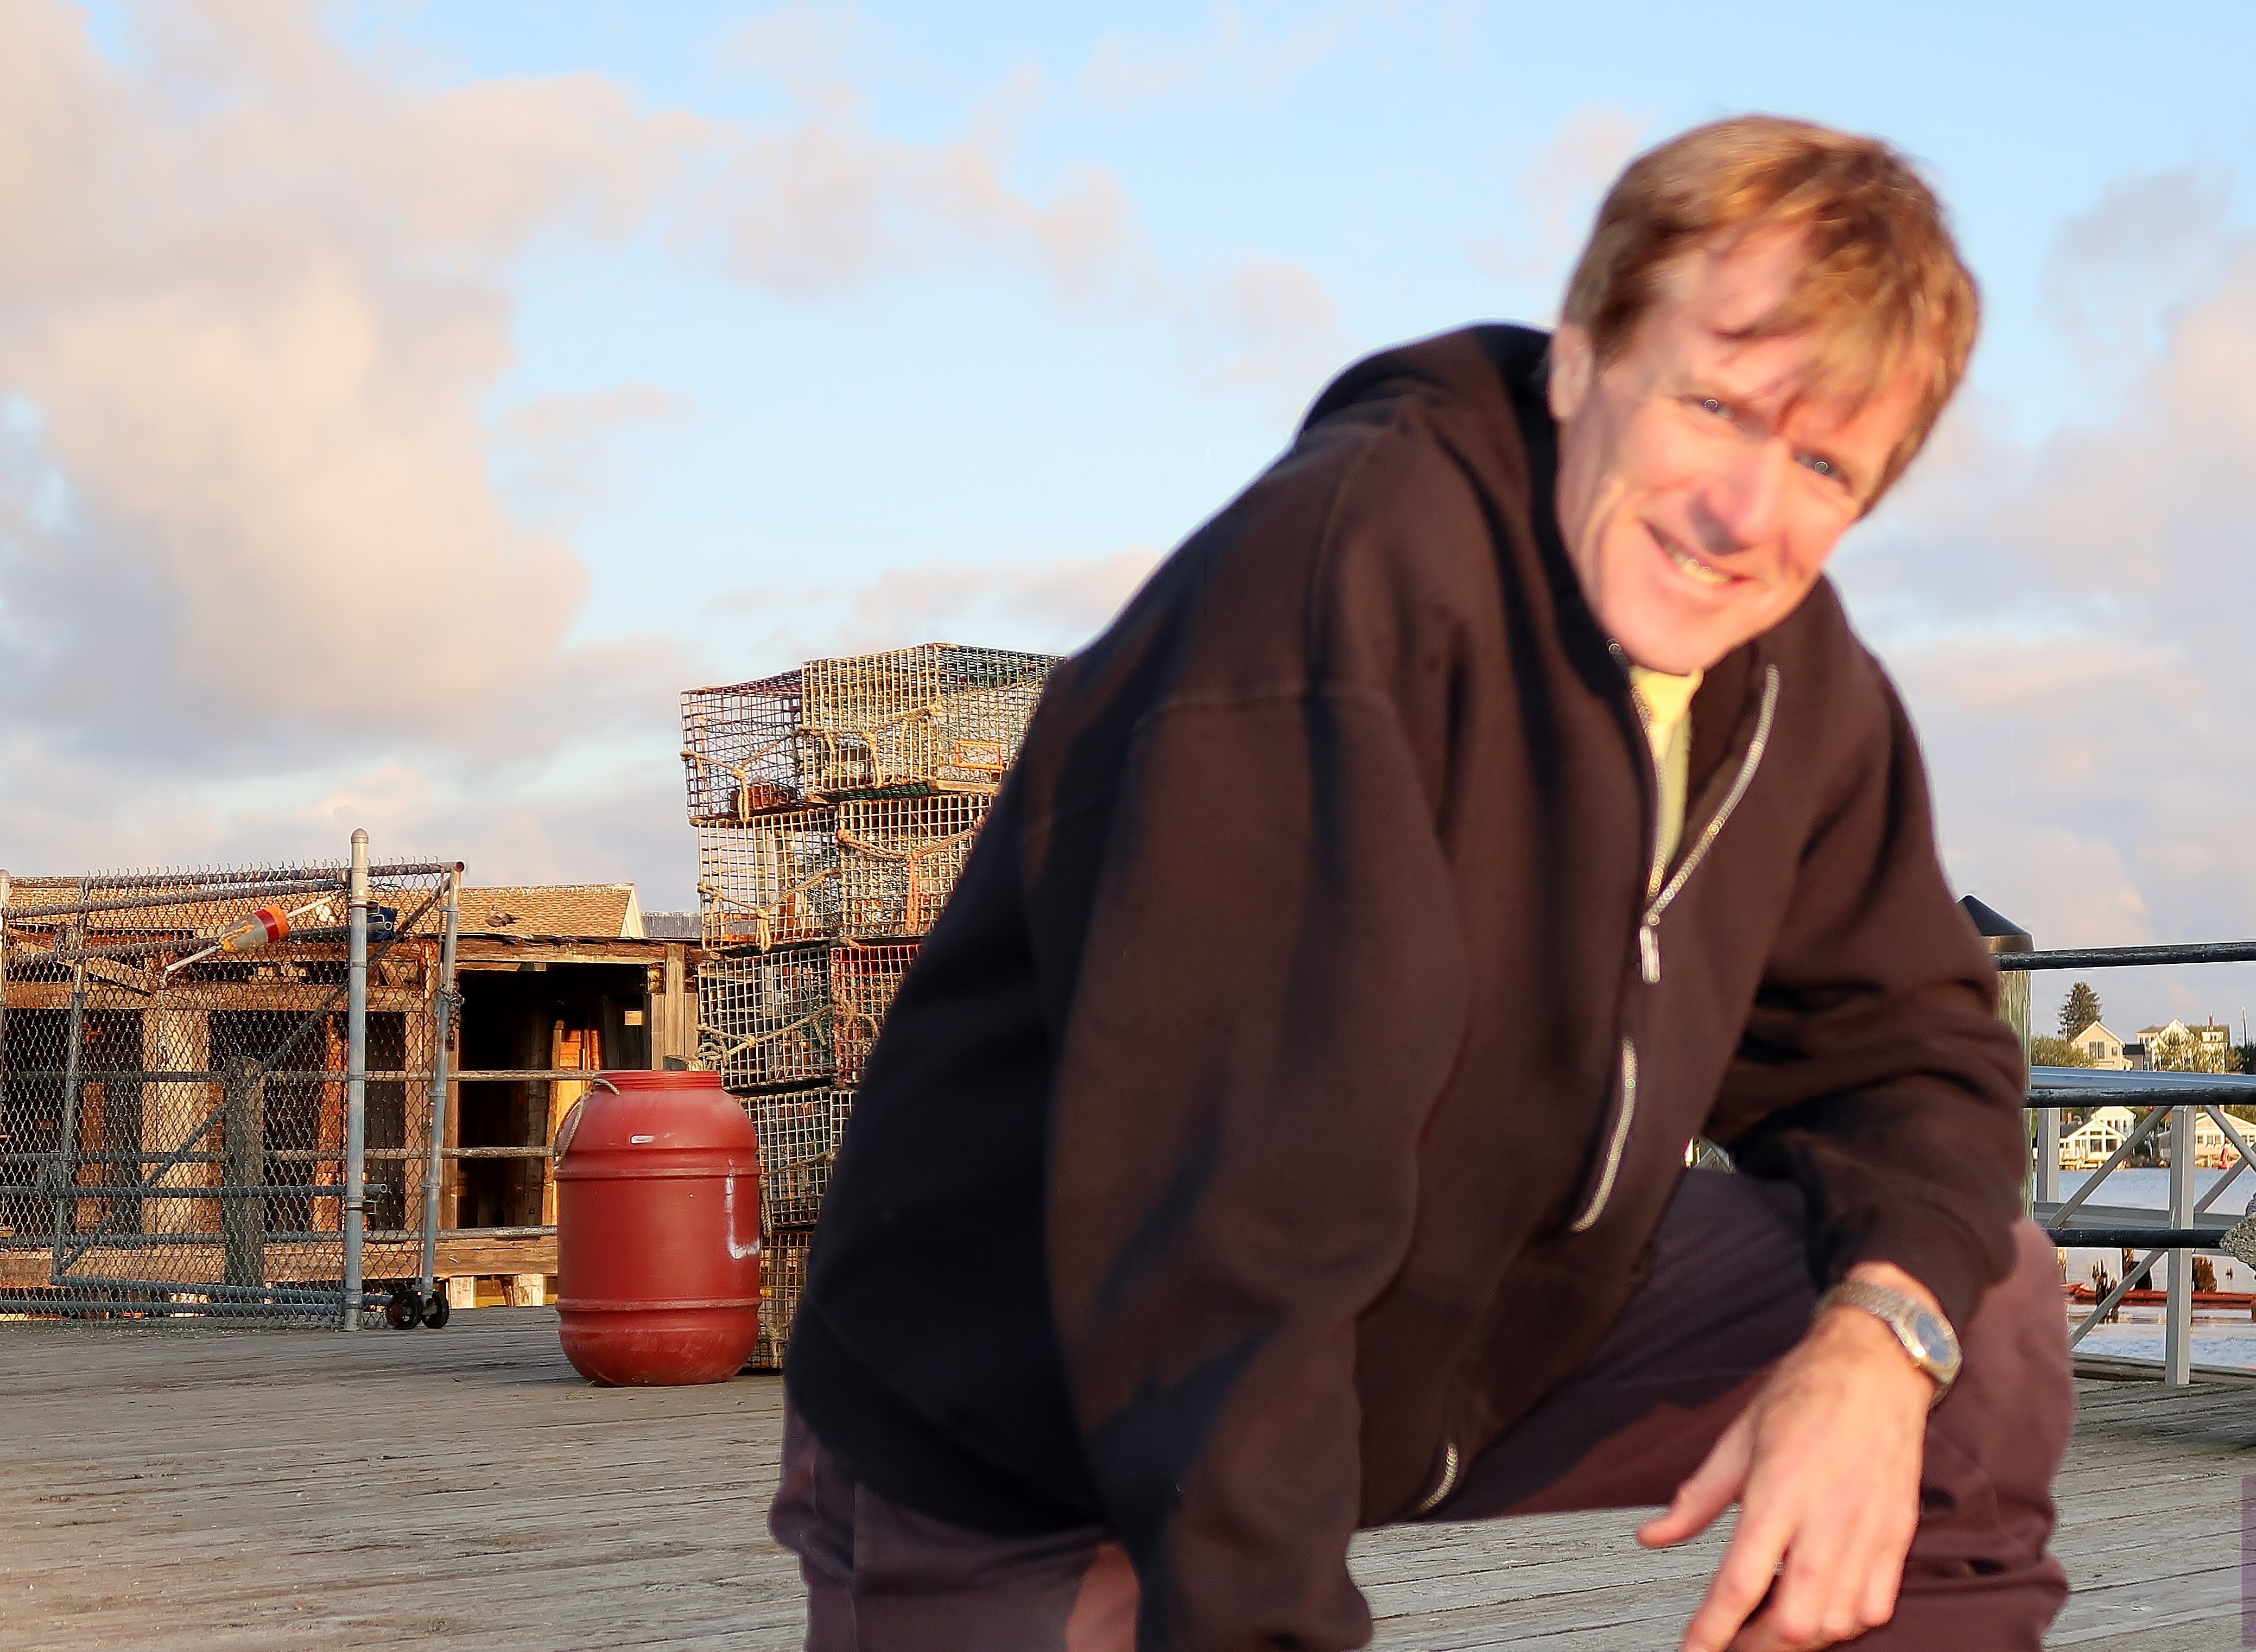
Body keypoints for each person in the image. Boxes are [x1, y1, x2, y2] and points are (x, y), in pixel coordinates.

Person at [770, 114, 2072, 1652]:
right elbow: (1225, 1226)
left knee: (1971, 1297)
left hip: (1451, 1340)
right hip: (1032, 1420)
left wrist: (1874, 1341)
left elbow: (1912, 1053)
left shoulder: (1796, 683)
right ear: (1582, 356)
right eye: (1716, 405)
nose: (1746, 512)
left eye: (1825, 461)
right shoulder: (1345, 580)